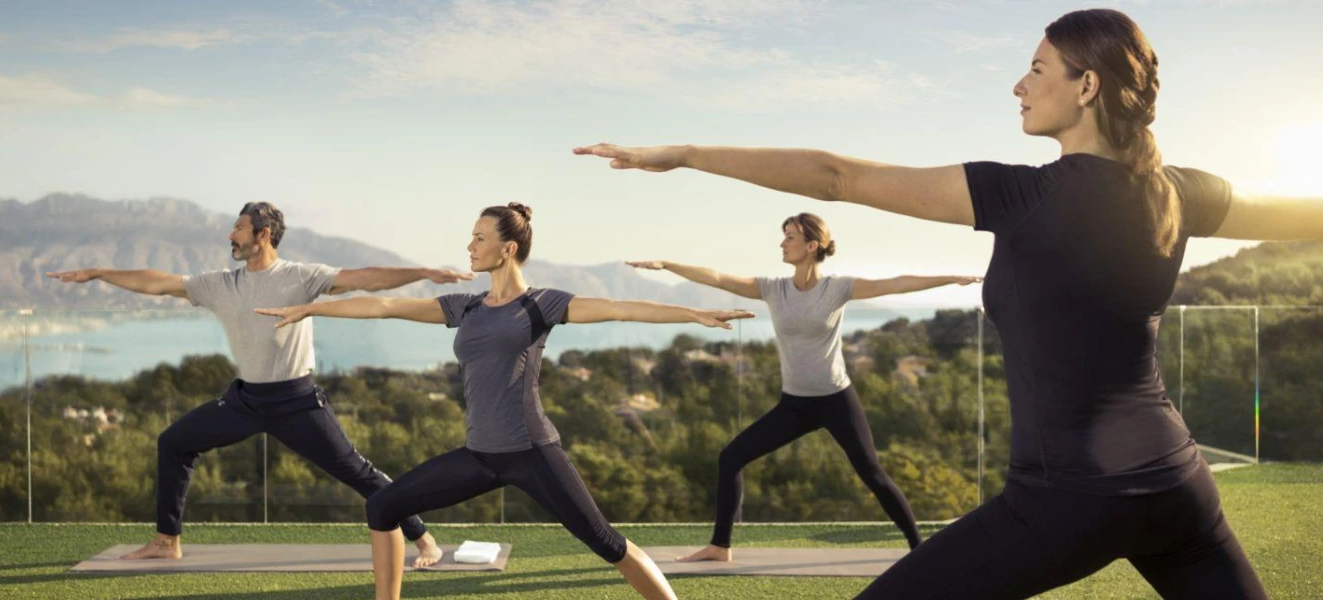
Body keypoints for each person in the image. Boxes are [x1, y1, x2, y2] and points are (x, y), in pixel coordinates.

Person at [573, 8, 1319, 597]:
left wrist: (687, 153)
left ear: (1087, 86)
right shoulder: (1183, 192)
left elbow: (835, 176)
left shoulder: (1022, 193)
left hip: (1065, 500)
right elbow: (1305, 214)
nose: (1020, 85)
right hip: (1177, 487)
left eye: (1036, 68)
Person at [258, 202, 753, 600]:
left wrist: (693, 313)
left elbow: (621, 308)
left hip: (532, 453)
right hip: (479, 455)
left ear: (507, 247)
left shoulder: (541, 305)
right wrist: (312, 308)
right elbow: (386, 307)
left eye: (479, 238)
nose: (469, 246)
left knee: (607, 543)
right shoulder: (465, 307)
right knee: (384, 506)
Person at [47, 201, 469, 566]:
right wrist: (100, 273)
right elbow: (157, 283)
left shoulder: (300, 276)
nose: (231, 236)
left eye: (238, 228)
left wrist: (422, 272)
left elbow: (364, 278)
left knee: (357, 472)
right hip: (245, 400)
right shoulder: (221, 284)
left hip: (296, 400)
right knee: (174, 442)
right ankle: (166, 541)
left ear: (263, 234)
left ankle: (423, 537)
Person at [629, 211, 979, 561]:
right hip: (794, 405)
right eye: (783, 236)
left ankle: (919, 550)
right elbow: (720, 278)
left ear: (811, 245)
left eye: (790, 237)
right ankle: (720, 546)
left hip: (836, 400)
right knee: (731, 458)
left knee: (873, 474)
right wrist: (666, 264)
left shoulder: (837, 288)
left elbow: (898, 283)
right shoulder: (773, 289)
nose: (782, 243)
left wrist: (951, 278)